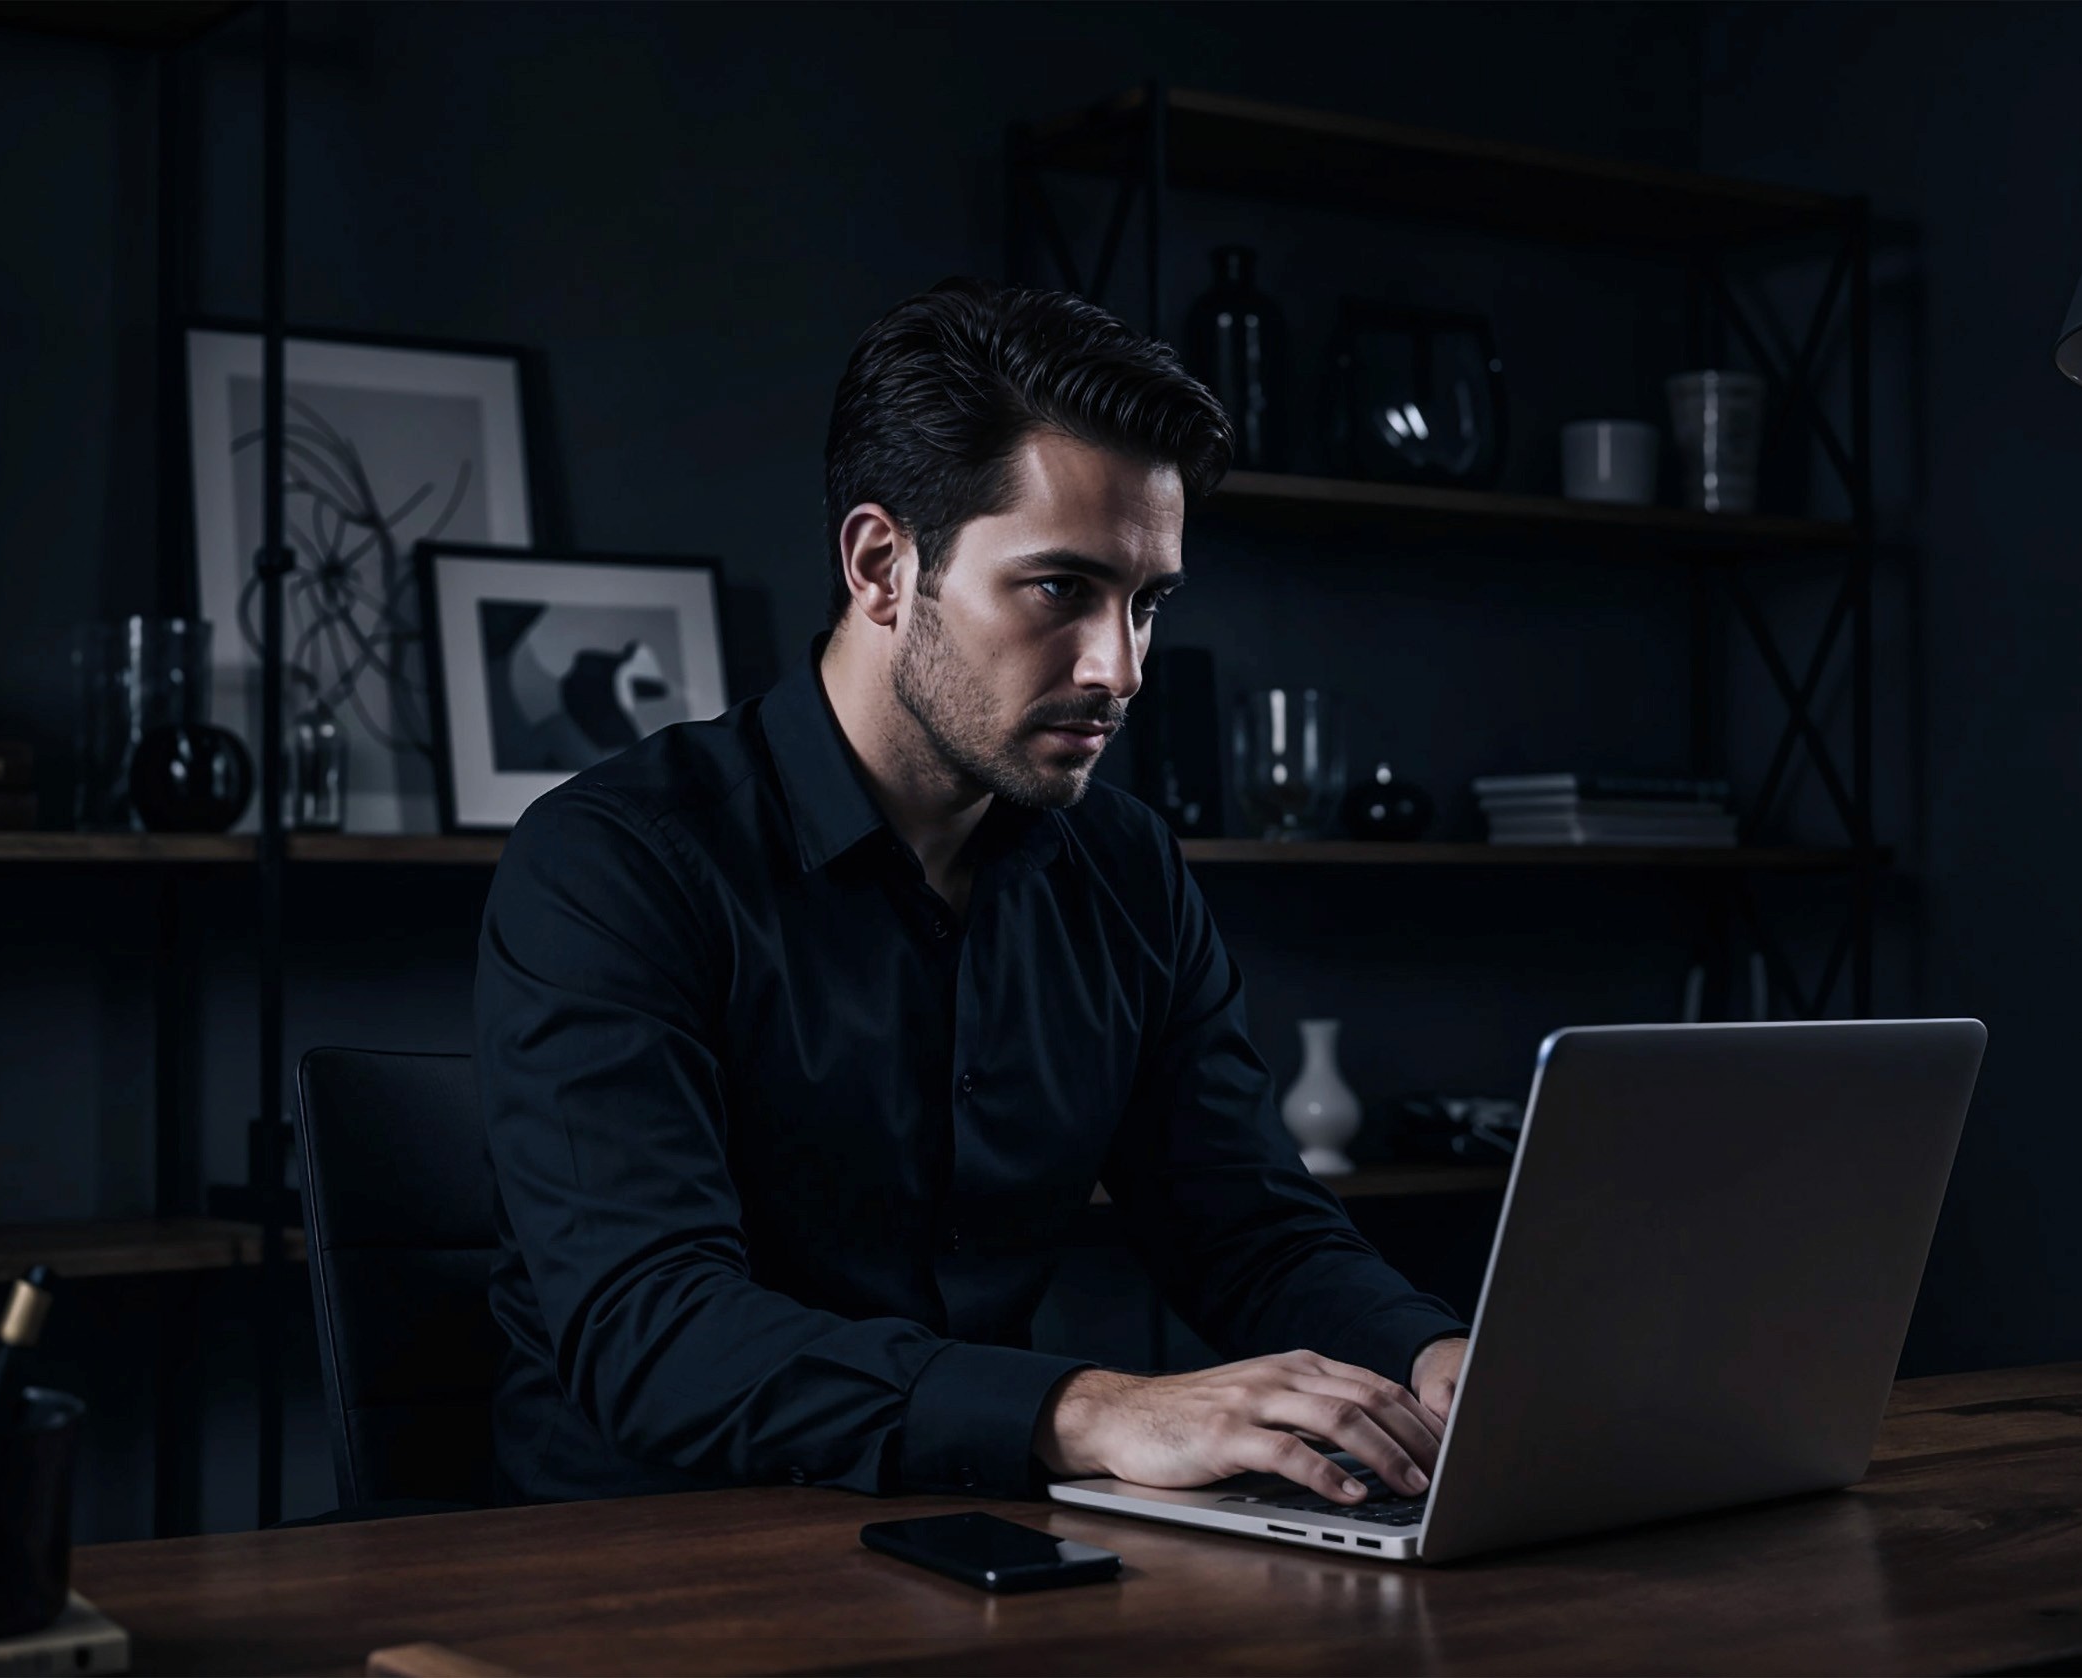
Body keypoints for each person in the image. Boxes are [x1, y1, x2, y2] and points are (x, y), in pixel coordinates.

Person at [476, 276, 1472, 1513]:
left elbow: (1246, 1226)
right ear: (884, 564)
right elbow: (655, 1329)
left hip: (977, 1532)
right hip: (645, 1556)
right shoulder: (611, 862)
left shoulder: (1127, 868)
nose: (1119, 669)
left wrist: (1440, 1364)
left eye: (1147, 602)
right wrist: (1089, 1408)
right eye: (1061, 588)